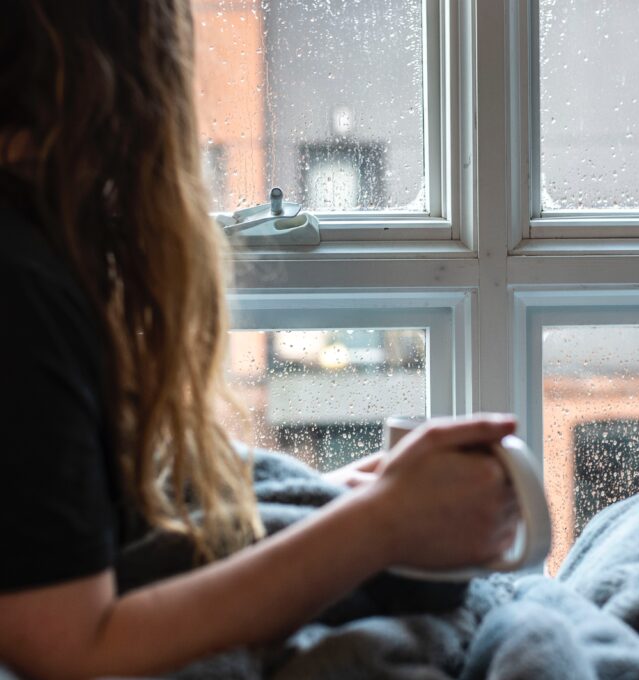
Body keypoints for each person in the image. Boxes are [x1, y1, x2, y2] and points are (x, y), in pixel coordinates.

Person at [0, 2, 519, 678]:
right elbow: (71, 648)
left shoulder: (36, 257)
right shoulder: (19, 287)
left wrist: (349, 507)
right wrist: (381, 523)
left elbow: (71, 555)